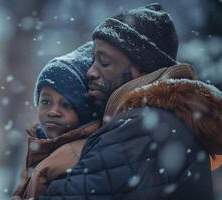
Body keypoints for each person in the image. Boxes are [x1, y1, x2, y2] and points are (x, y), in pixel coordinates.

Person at [40, 3, 222, 199]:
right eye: (93, 60)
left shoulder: (141, 127)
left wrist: (40, 180)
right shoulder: (164, 121)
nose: (90, 72)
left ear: (142, 70)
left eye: (104, 62)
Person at [13, 42, 101, 200]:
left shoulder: (78, 157)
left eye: (67, 104)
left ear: (84, 113)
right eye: (46, 102)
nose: (53, 111)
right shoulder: (40, 146)